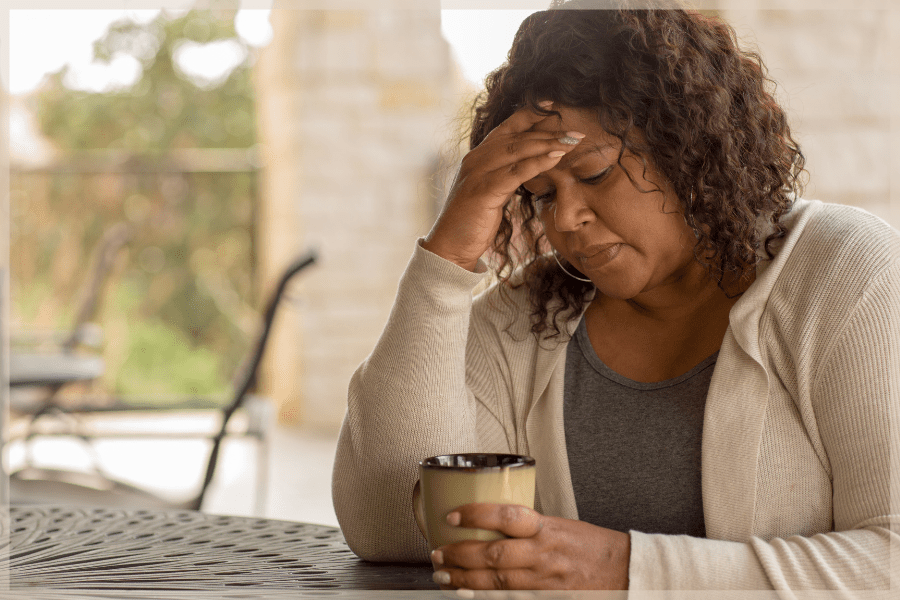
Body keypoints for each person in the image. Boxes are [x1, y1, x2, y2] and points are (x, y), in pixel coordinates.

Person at [332, 0, 899, 592]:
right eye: (542, 194)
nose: (567, 219)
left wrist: (620, 569)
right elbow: (390, 527)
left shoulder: (844, 275)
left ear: (687, 147)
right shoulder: (529, 315)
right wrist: (447, 258)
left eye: (596, 173)